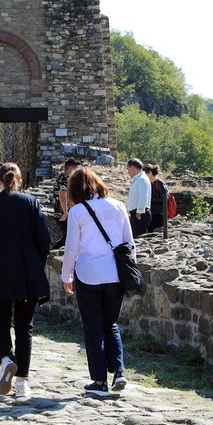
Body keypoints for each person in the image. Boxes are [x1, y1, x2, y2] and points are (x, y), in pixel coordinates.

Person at [0, 163, 50, 400]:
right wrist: (35, 262)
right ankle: (21, 384)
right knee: (24, 327)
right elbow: (44, 239)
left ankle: (6, 359)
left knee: (0, 323)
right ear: (18, 180)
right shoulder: (30, 203)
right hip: (27, 271)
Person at [61, 166, 133, 397]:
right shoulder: (119, 206)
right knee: (111, 323)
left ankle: (100, 381)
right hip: (114, 275)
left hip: (89, 274)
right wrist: (129, 272)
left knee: (93, 328)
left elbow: (71, 248)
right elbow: (129, 244)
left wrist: (66, 276)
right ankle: (119, 371)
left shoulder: (78, 212)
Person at [52, 158, 81, 249]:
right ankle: (49, 257)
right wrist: (65, 212)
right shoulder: (64, 177)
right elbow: (62, 194)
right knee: (67, 238)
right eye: (76, 169)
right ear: (72, 168)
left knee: (67, 237)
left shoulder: (65, 177)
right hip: (62, 212)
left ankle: (49, 256)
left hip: (64, 212)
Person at [125, 158, 151, 237]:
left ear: (133, 167)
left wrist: (139, 212)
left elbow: (143, 197)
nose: (127, 171)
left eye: (128, 168)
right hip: (137, 213)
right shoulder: (139, 179)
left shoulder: (142, 179)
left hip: (140, 214)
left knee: (139, 237)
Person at [144, 164, 168, 232]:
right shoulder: (148, 183)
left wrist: (150, 199)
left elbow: (165, 198)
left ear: (150, 173)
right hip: (151, 213)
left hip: (159, 214)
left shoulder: (160, 183)